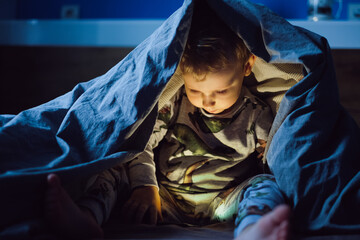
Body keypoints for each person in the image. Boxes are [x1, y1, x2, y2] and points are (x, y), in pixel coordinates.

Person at [44, 4, 291, 240]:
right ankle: (87, 217)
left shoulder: (257, 114)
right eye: (197, 91)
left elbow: (269, 162)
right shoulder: (175, 103)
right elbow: (142, 144)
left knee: (265, 184)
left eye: (221, 91)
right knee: (113, 165)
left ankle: (254, 229)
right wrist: (145, 187)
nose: (208, 101)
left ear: (247, 66)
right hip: (163, 199)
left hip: (222, 202)